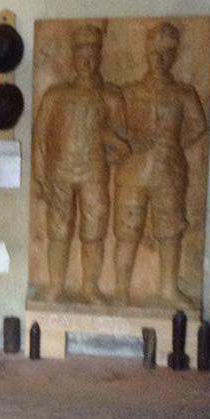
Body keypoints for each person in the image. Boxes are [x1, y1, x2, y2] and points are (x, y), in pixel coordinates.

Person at [113, 22, 207, 308]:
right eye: (154, 52)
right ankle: (120, 290)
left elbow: (198, 126)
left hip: (169, 171)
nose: (159, 58)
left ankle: (168, 288)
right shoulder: (128, 92)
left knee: (170, 231)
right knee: (127, 230)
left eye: (166, 52)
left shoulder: (183, 94)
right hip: (133, 171)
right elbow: (113, 127)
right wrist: (128, 144)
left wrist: (174, 145)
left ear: (175, 55)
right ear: (147, 53)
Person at [33, 24, 128, 303]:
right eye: (81, 54)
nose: (86, 61)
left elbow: (121, 142)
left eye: (92, 54)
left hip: (94, 172)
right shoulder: (56, 95)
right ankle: (56, 285)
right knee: (59, 229)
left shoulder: (111, 96)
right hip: (59, 172)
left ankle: (90, 286)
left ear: (99, 57)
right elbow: (40, 137)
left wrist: (108, 144)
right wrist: (40, 176)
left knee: (94, 230)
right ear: (73, 57)